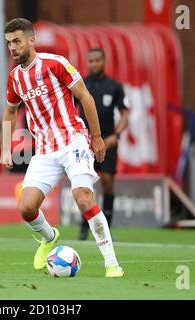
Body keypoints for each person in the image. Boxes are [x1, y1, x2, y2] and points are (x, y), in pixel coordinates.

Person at [1, 18, 124, 278]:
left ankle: (112, 263)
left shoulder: (55, 64)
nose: (12, 48)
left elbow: (84, 96)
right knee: (26, 207)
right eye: (8, 43)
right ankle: (48, 238)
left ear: (31, 40)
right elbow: (10, 112)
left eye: (17, 41)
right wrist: (4, 146)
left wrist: (97, 136)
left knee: (83, 198)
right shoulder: (14, 78)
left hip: (73, 141)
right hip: (45, 150)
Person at [78, 48, 130, 241]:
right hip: (85, 143)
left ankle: (106, 227)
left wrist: (116, 135)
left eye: (97, 60)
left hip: (108, 141)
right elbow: (71, 109)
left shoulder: (115, 87)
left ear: (104, 61)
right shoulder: (80, 84)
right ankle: (84, 226)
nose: (94, 64)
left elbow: (124, 113)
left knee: (108, 182)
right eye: (90, 61)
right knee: (85, 185)